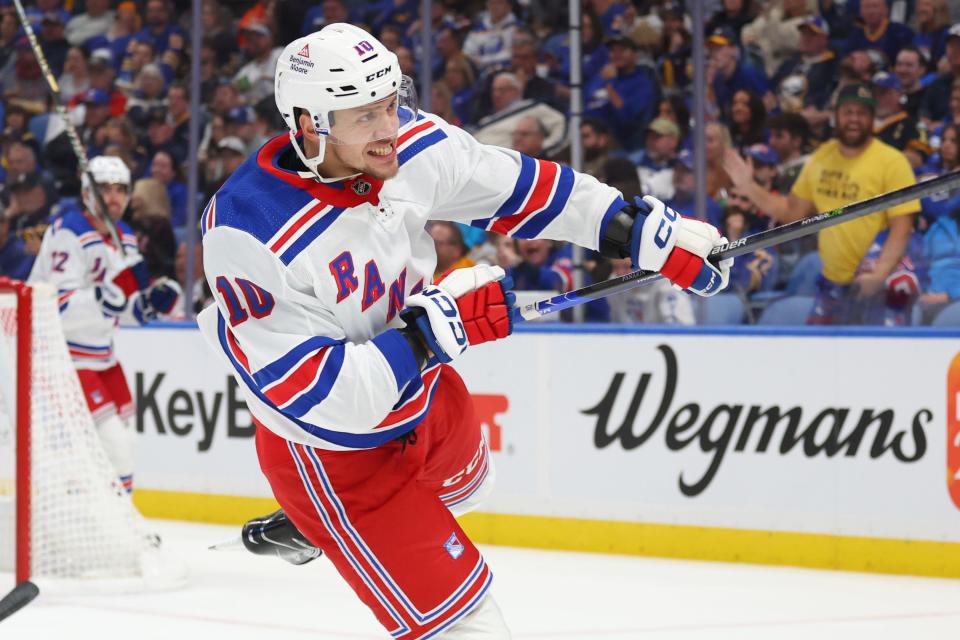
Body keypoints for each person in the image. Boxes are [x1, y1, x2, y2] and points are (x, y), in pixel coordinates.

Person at [197, 23, 732, 639]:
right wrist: (427, 336)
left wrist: (637, 232)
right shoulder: (247, 232)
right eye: (363, 115)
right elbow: (324, 400)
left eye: (389, 103)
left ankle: (317, 529)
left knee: (475, 484)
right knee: (471, 628)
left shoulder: (410, 148)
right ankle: (329, 519)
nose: (387, 128)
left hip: (423, 396)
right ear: (310, 123)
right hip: (334, 454)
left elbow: (524, 190)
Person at [27, 156, 179, 491]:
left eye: (120, 189)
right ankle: (113, 518)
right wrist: (108, 293)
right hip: (64, 357)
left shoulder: (124, 237)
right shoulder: (69, 231)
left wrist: (147, 307)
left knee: (126, 440)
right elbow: (59, 305)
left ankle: (112, 515)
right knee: (112, 445)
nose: (113, 197)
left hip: (102, 356)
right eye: (105, 189)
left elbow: (122, 307)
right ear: (87, 193)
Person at [724, 83, 920, 324]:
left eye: (862, 113)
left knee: (880, 357)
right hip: (832, 283)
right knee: (823, 355)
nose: (854, 119)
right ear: (836, 115)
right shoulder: (822, 157)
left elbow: (902, 226)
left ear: (871, 118)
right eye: (848, 112)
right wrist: (749, 187)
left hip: (878, 279)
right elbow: (791, 212)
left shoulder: (892, 162)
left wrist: (880, 273)